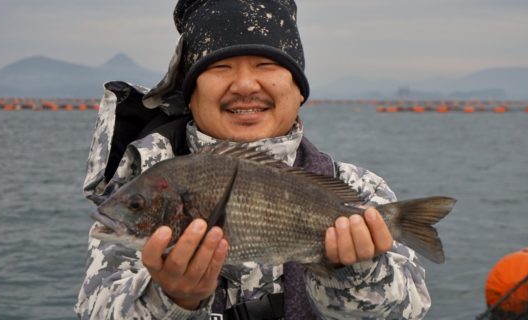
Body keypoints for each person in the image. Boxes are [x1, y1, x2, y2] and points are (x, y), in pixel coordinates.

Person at [75, 0, 431, 319]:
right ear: (191, 92)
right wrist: (172, 299)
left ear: (299, 90)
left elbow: (408, 310)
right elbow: (97, 308)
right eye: (219, 67)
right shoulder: (143, 182)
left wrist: (354, 271)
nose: (245, 84)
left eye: (266, 64)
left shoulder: (359, 190)